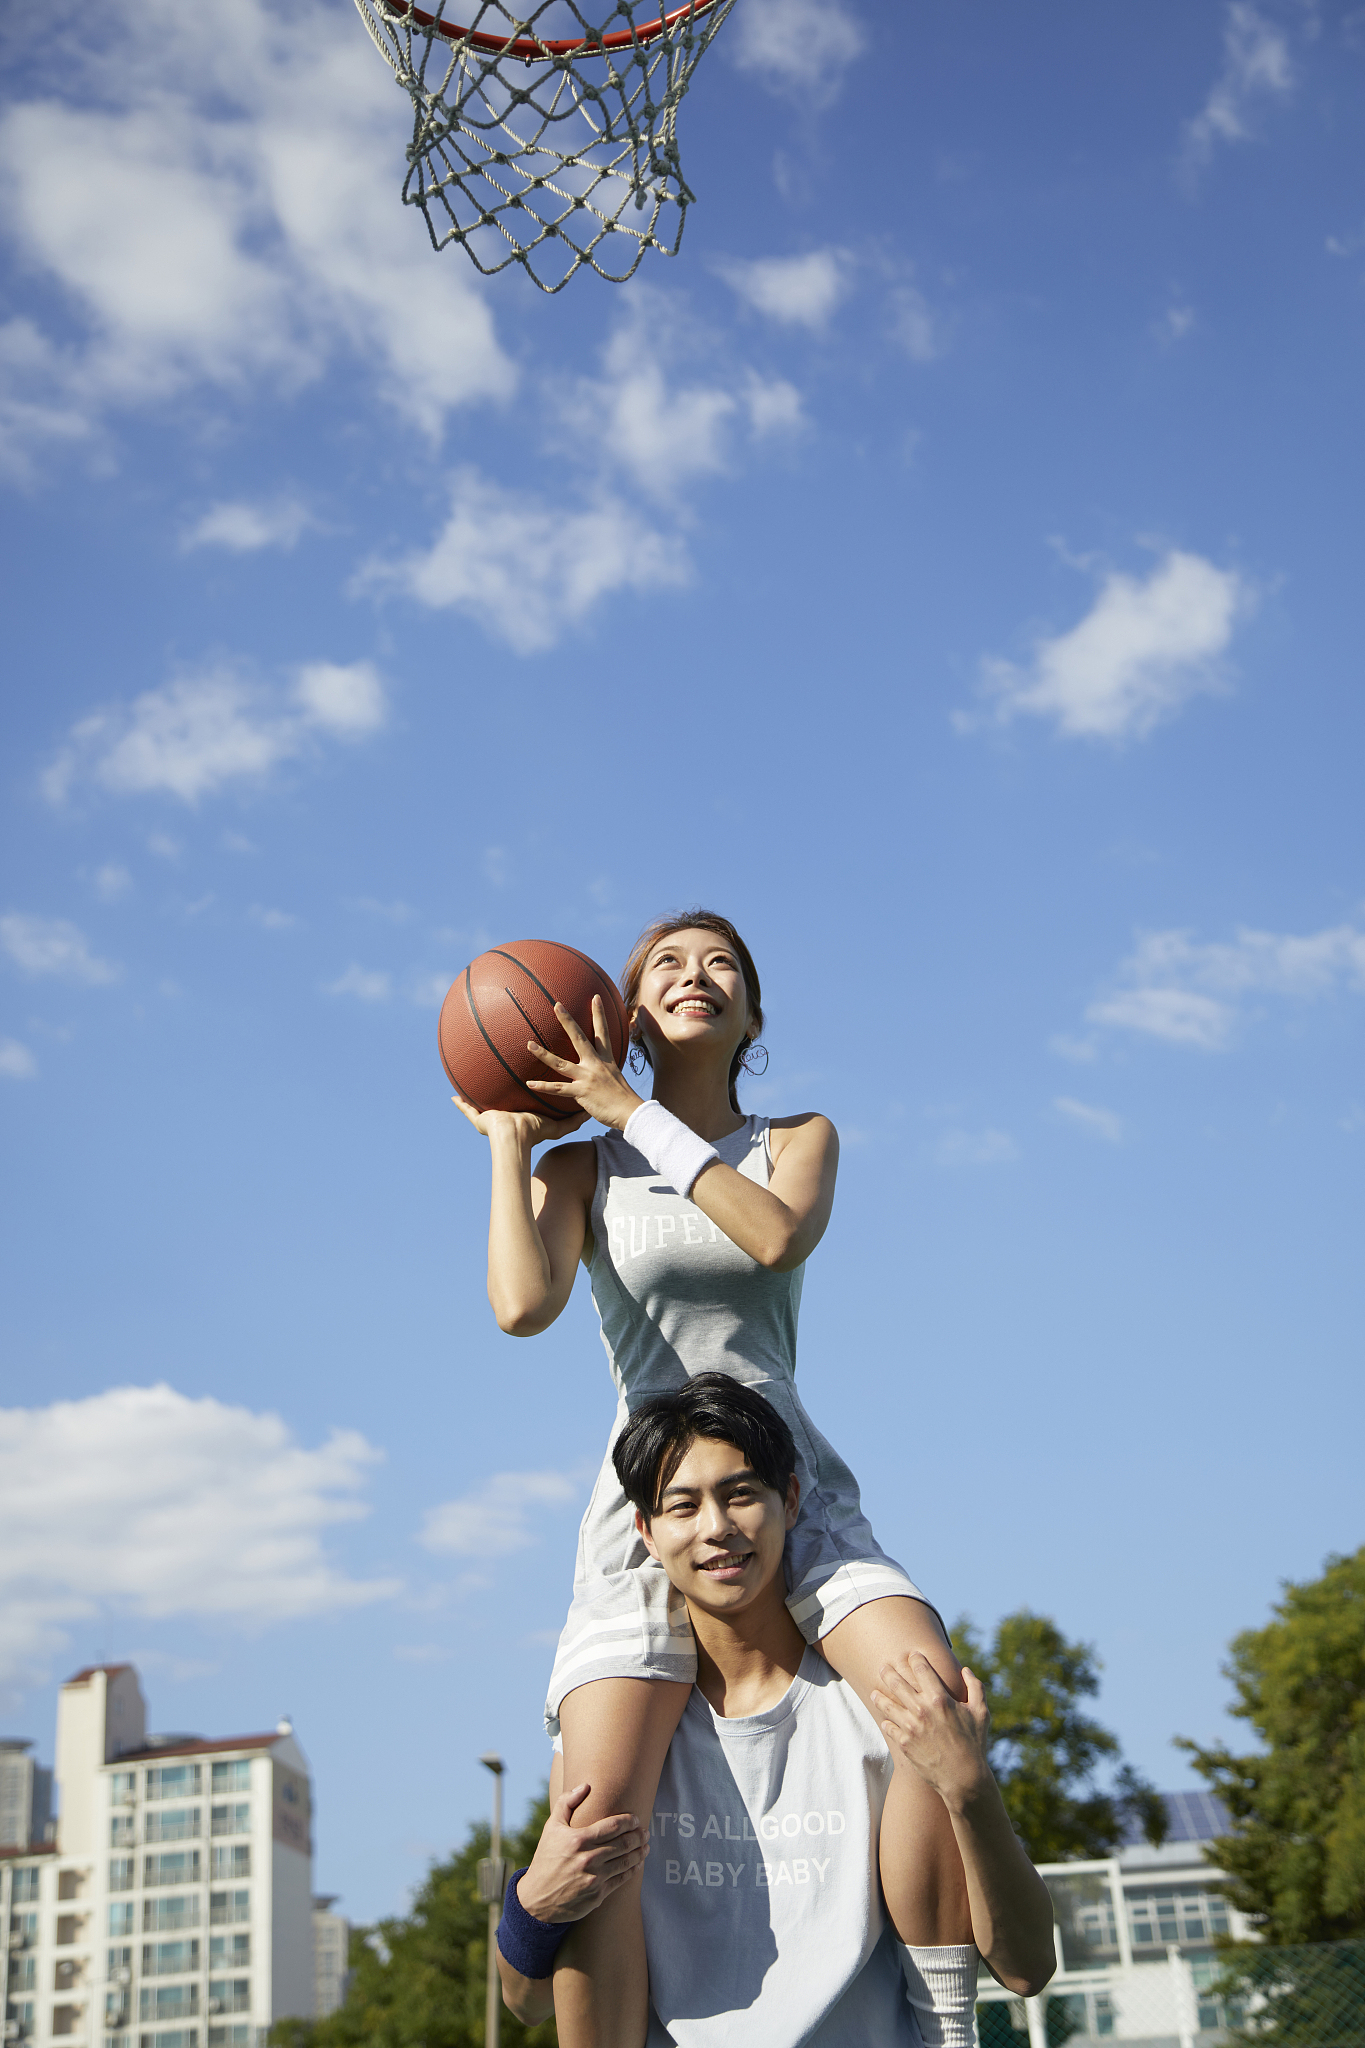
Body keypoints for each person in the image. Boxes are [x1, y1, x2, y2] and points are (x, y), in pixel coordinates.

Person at [455, 911, 975, 2048]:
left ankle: (941, 2019)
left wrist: (628, 1106)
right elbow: (520, 1305)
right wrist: (509, 1140)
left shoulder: (798, 1136)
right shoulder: (584, 1163)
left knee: (932, 1704)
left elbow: (776, 1236)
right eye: (670, 964)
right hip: (655, 1508)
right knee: (595, 1820)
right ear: (625, 1010)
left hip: (789, 1487)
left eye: (723, 962)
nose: (699, 975)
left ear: (751, 1014)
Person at [493, 1376, 1056, 2046]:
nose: (716, 1529)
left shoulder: (885, 1709)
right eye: (682, 1506)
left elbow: (1026, 1970)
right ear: (646, 1531)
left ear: (788, 1500)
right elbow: (524, 2003)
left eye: (740, 1495)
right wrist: (536, 1907)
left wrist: (970, 1789)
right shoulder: (616, 1749)